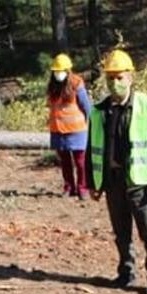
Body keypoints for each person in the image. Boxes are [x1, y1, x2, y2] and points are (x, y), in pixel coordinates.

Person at [86, 49, 147, 294]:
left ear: (130, 77)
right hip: (113, 183)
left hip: (139, 183)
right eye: (110, 77)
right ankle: (126, 272)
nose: (115, 82)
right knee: (121, 233)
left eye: (119, 77)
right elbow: (92, 148)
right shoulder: (99, 111)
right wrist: (93, 182)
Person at [46, 53, 92, 198]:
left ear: (68, 70)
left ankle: (83, 188)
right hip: (58, 130)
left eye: (61, 71)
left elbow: (86, 106)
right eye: (56, 71)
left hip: (77, 130)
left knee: (80, 162)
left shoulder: (77, 84)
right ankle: (69, 188)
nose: (58, 74)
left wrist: (91, 124)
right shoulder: (52, 86)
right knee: (65, 162)